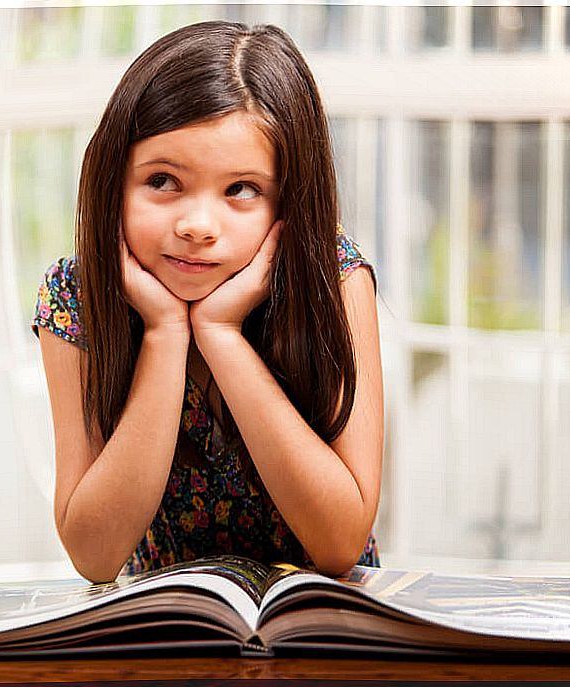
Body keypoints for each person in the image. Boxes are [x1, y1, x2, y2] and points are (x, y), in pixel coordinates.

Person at [31, 21, 383, 584]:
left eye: (241, 190)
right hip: (167, 639)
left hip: (319, 637)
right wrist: (164, 333)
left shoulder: (333, 278)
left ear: (289, 202)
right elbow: (95, 555)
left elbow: (340, 541)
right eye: (164, 181)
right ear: (114, 181)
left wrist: (221, 334)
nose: (197, 226)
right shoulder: (78, 296)